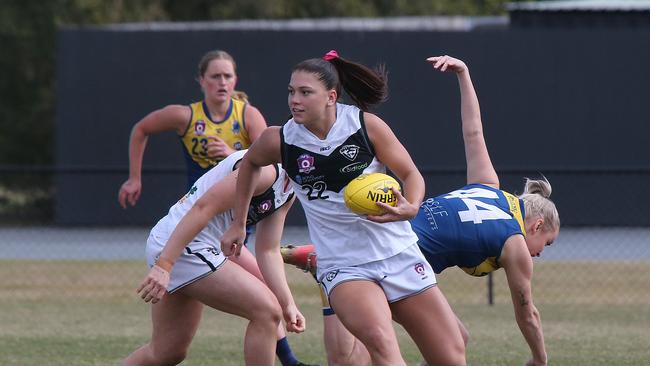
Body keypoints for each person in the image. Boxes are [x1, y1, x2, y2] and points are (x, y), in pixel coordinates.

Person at [282, 55, 560, 366]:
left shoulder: (488, 186)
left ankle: (319, 261)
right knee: (363, 346)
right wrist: (540, 359)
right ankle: (320, 263)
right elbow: (528, 312)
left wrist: (464, 75)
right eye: (547, 243)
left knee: (456, 340)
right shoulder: (516, 245)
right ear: (536, 225)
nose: (540, 252)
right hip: (394, 242)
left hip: (401, 232)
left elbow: (473, 133)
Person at [221, 50, 466, 366]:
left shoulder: (366, 126)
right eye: (291, 91)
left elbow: (410, 174)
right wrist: (238, 222)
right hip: (344, 266)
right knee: (381, 341)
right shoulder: (280, 140)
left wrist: (412, 206)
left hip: (399, 254)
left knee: (451, 355)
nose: (294, 99)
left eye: (305, 92)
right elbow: (250, 163)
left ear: (330, 97)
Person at [122, 149, 308, 366]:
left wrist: (288, 304)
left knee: (166, 352)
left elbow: (268, 250)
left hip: (189, 245)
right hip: (182, 245)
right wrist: (165, 263)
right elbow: (203, 208)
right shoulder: (268, 171)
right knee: (266, 311)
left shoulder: (290, 187)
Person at [118, 49, 267, 209]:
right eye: (216, 76)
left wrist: (232, 155)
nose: (222, 82)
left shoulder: (248, 115)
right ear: (202, 80)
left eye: (227, 76)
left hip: (237, 210)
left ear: (235, 80)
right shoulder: (185, 116)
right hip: (198, 207)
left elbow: (269, 164)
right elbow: (141, 129)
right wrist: (134, 178)